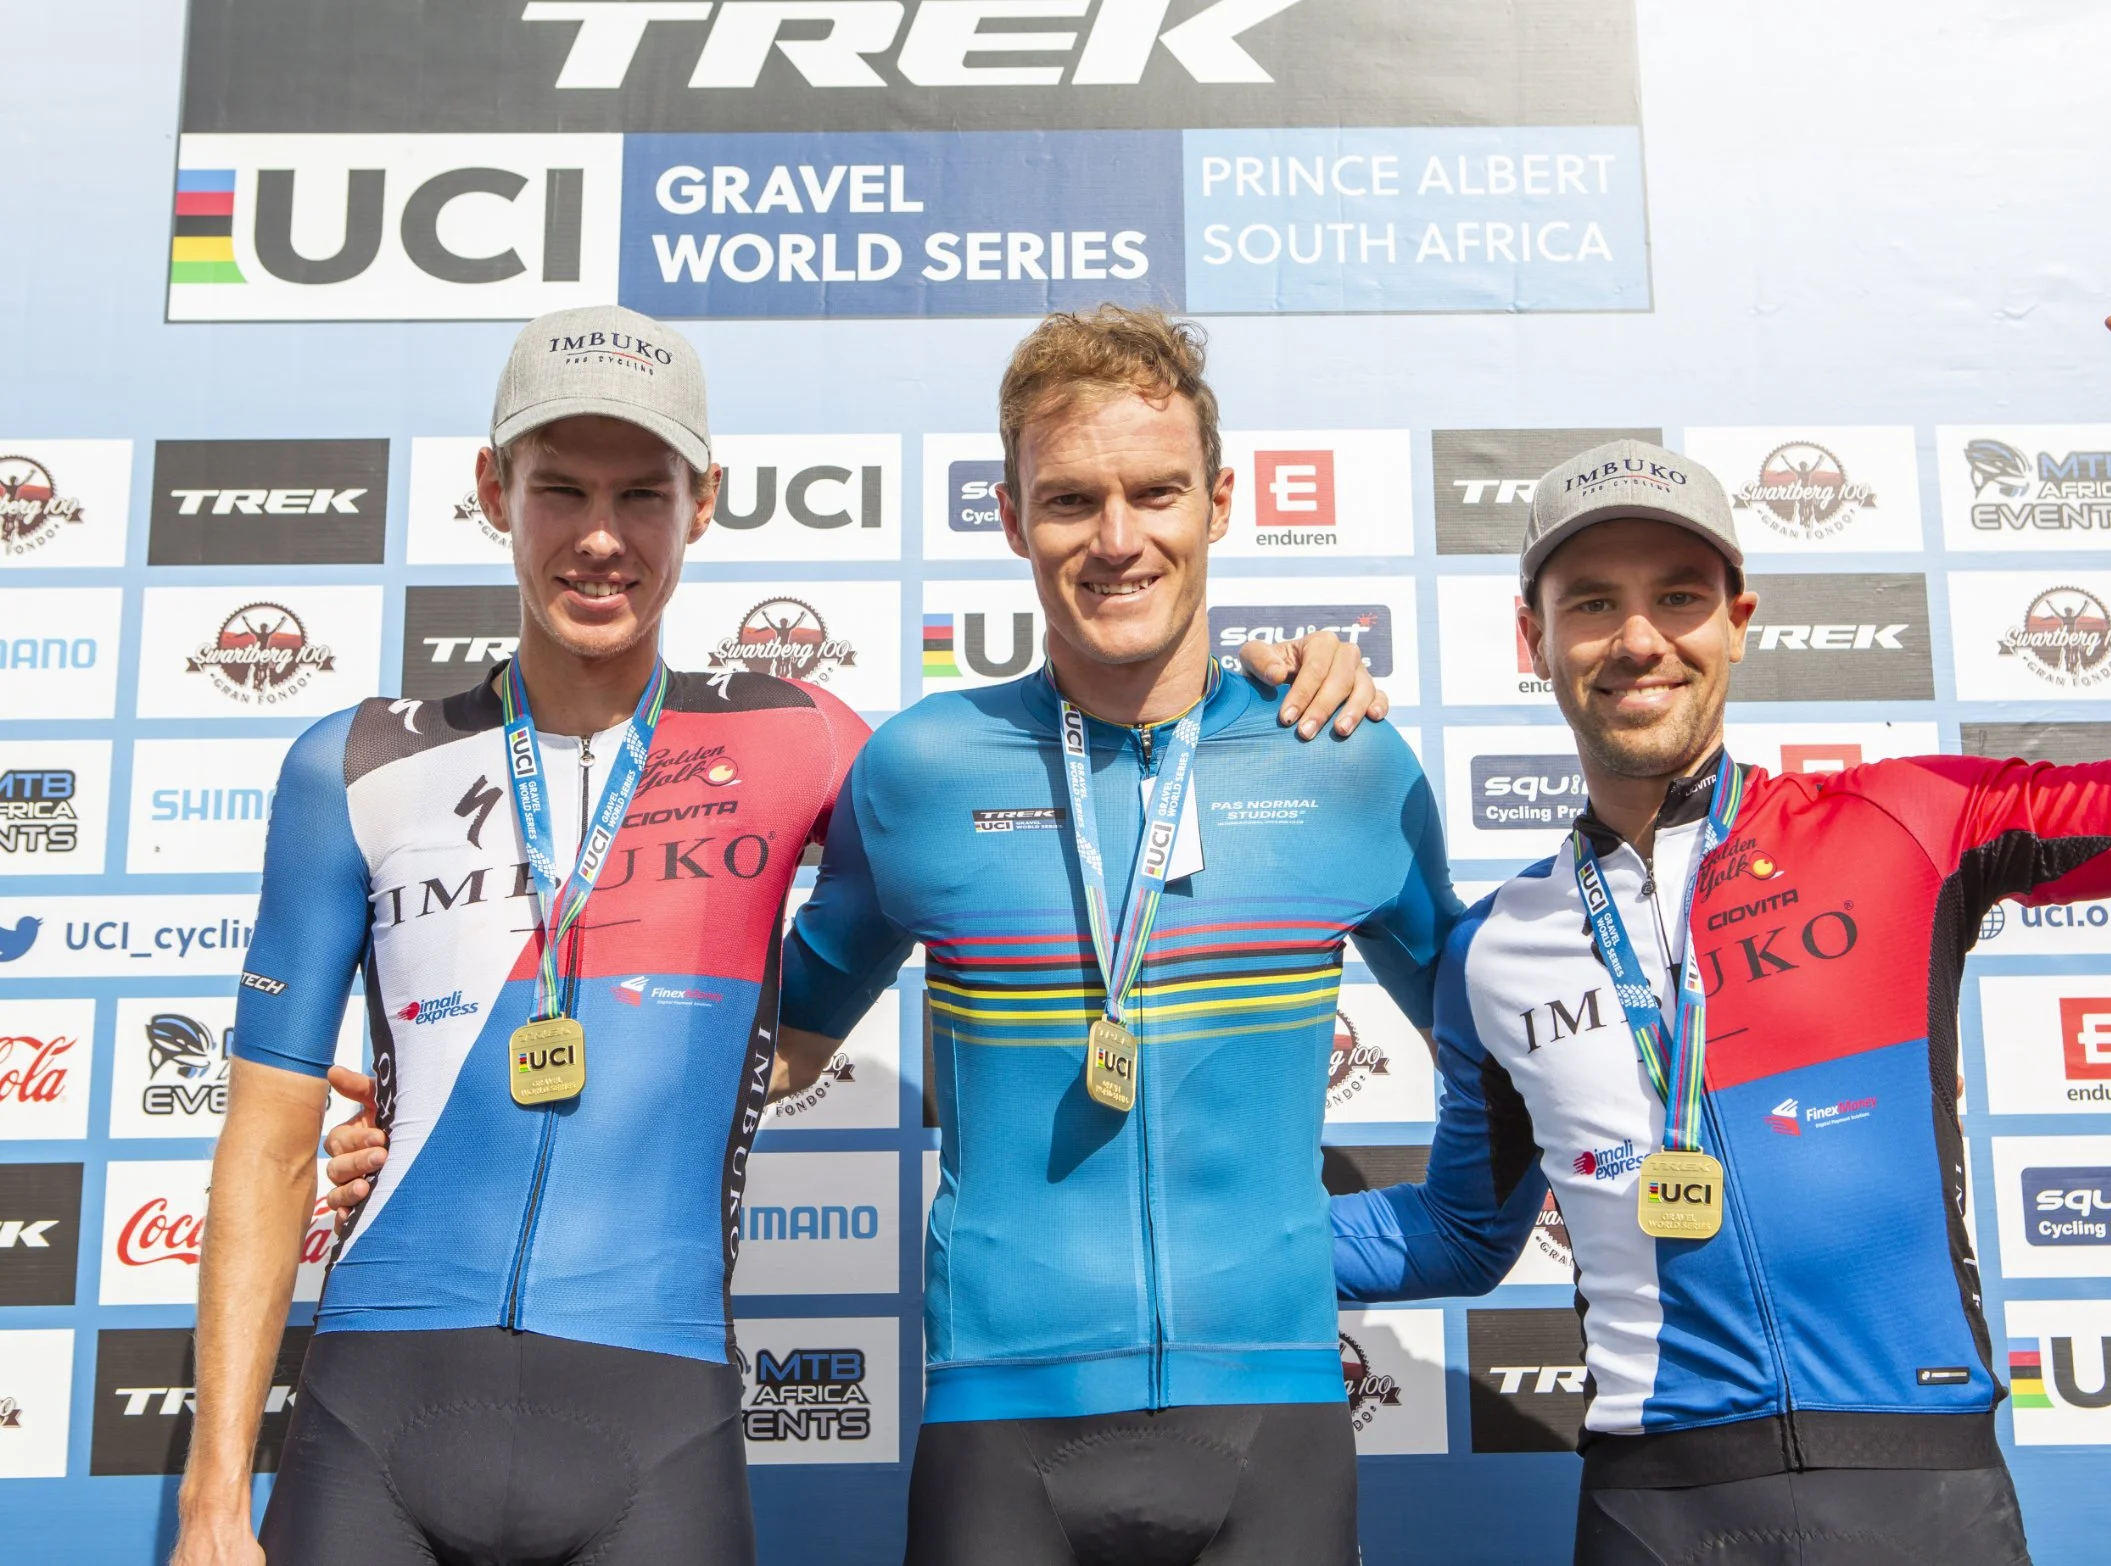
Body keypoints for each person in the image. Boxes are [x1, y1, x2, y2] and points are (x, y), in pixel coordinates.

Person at [242, 307, 1378, 1566]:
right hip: (382, 1394)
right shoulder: (361, 756)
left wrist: (1277, 681)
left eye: (644, 491)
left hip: (659, 1411)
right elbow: (269, 1142)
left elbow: (1089, 781)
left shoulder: (826, 741)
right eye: (559, 487)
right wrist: (451, 1128)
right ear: (492, 491)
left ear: (704, 501)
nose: (602, 533)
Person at [1329, 316, 2111, 1566]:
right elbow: (1462, 1236)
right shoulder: (1494, 950)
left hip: (1921, 1495)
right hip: (1650, 1507)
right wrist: (1164, 1254)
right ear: (1533, 643)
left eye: (1678, 597)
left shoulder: (1906, 824)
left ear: (1738, 620)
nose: (1639, 638)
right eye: (1592, 603)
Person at [767, 306, 1455, 1565]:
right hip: (999, 1430)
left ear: (1221, 501)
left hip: (1276, 1422)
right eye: (1073, 500)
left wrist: (1440, 1234)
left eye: (1157, 492)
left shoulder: (1339, 759)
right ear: (1011, 515)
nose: (1118, 539)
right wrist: (450, 1111)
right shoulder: (921, 768)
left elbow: (1504, 1042)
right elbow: (769, 1047)